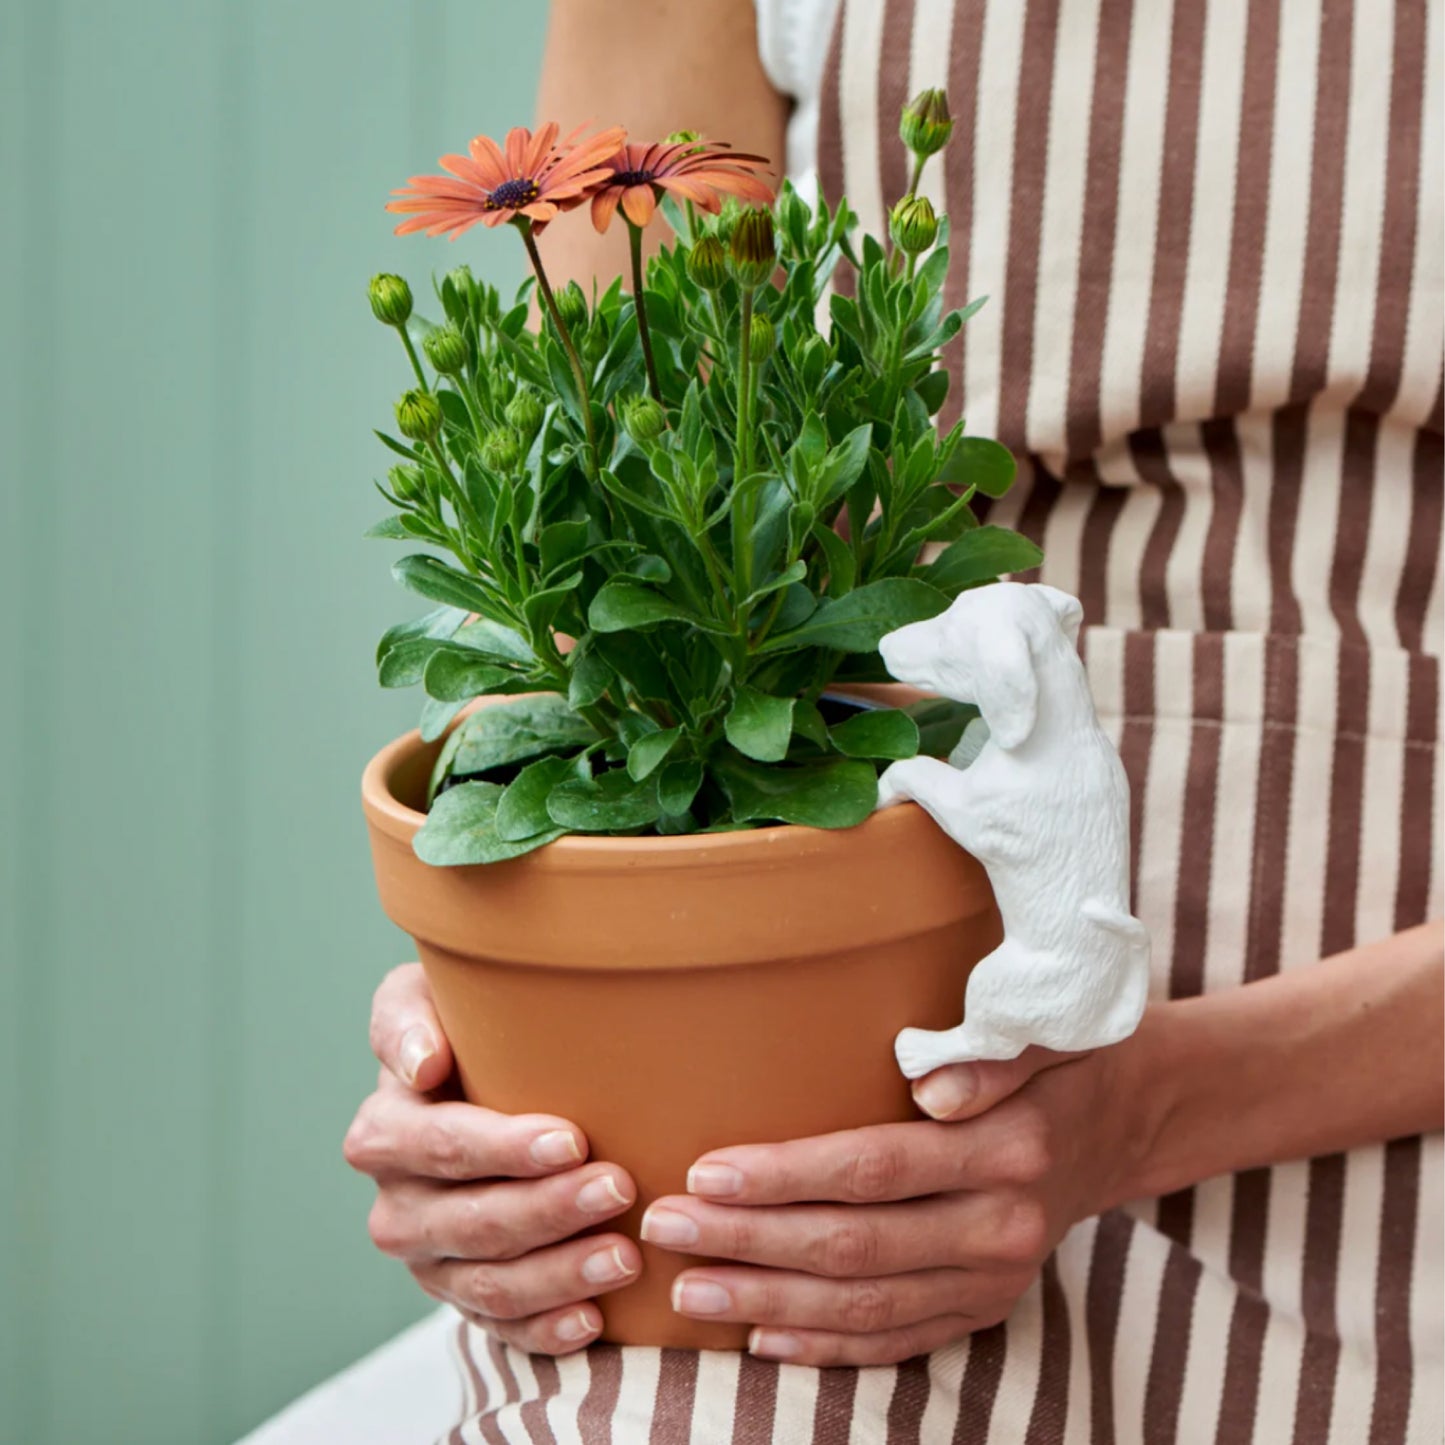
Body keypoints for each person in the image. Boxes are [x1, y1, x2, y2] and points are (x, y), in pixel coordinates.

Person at [244, 0, 1443, 1439]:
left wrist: (1143, 1108)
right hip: (849, 945)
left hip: (1387, 1048)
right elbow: (601, 578)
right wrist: (507, 1010)